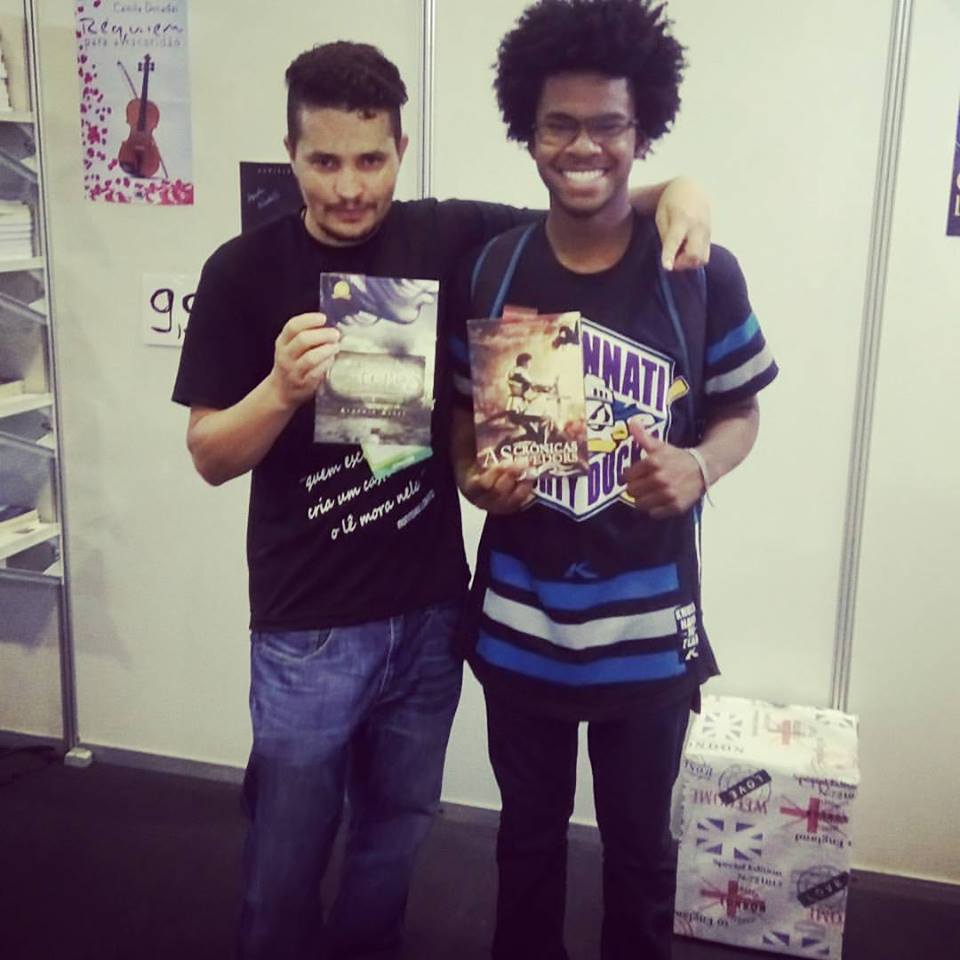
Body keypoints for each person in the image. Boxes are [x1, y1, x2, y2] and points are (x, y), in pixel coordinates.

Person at [172, 38, 712, 960]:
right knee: (287, 851)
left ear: (402, 148)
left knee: (396, 835)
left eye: (371, 159)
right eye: (324, 161)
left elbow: (586, 201)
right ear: (291, 153)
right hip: (307, 626)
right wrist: (279, 392)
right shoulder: (241, 270)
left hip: (429, 610)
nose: (350, 188)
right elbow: (209, 456)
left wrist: (685, 189)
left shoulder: (446, 236)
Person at [448, 3, 778, 959]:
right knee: (526, 846)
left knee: (640, 859)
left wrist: (700, 467)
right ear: (528, 129)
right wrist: (474, 474)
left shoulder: (697, 270)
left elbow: (742, 412)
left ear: (643, 131)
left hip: (648, 637)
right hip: (521, 626)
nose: (583, 146)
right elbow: (464, 416)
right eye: (560, 124)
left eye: (608, 125)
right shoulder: (492, 267)